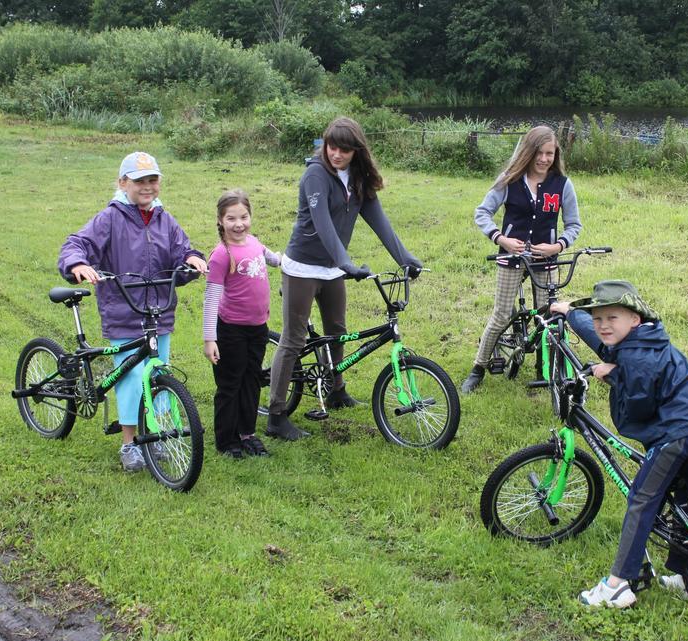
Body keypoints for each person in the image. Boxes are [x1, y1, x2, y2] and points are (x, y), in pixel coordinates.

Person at [550, 281, 688, 608]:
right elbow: (604, 343)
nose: (603, 325)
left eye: (611, 318)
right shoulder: (642, 338)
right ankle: (687, 570)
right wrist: (572, 313)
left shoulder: (636, 360)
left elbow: (640, 404)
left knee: (642, 498)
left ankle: (618, 585)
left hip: (680, 431)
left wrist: (613, 375)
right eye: (598, 317)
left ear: (634, 318)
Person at [266, 117, 423, 441]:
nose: (336, 154)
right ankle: (277, 415)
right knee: (294, 339)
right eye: (331, 147)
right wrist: (346, 262)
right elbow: (323, 224)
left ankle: (337, 390)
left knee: (337, 331)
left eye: (344, 149)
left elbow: (380, 222)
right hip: (303, 269)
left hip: (333, 270)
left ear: (356, 150)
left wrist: (405, 258)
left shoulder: (358, 178)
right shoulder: (315, 175)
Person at [58, 151, 208, 472]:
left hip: (159, 313)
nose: (147, 186)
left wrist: (192, 259)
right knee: (128, 380)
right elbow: (76, 244)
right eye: (139, 180)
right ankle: (128, 444)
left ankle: (155, 435)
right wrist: (79, 263)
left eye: (153, 179)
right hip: (125, 312)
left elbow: (181, 251)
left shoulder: (164, 219)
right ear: (123, 183)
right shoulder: (110, 218)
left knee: (157, 375)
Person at [459, 125, 582, 394]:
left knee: (547, 317)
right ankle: (478, 367)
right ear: (528, 152)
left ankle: (544, 367)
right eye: (539, 153)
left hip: (545, 260)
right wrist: (501, 239)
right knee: (502, 313)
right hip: (511, 258)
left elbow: (574, 225)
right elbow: (482, 213)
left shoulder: (562, 184)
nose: (544, 159)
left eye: (550, 153)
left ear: (556, 154)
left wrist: (557, 246)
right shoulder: (510, 180)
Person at [203, 190, 282, 458]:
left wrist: (291, 261)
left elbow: (273, 258)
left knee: (251, 380)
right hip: (230, 330)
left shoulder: (254, 242)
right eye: (231, 218)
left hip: (258, 327)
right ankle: (227, 441)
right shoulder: (221, 255)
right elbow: (212, 299)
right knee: (230, 384)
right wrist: (209, 338)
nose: (239, 224)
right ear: (220, 220)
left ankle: (247, 434)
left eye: (244, 217)